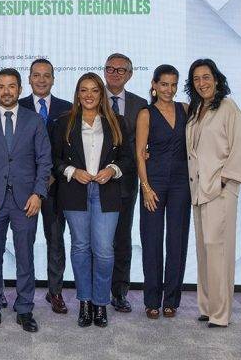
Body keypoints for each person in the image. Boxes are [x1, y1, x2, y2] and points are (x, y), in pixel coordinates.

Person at [0, 68, 52, 333]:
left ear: (20, 89)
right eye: (1, 86)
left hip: (26, 201)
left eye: (11, 86)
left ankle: (25, 308)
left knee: (25, 256)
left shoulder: (34, 120)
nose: (6, 91)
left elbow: (44, 161)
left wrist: (38, 194)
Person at [51, 72, 133, 328]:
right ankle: (85, 302)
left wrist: (112, 170)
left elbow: (127, 159)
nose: (89, 95)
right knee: (80, 248)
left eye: (94, 90)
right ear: (77, 94)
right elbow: (54, 160)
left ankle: (100, 303)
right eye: (84, 90)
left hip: (107, 193)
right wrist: (72, 171)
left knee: (105, 251)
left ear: (101, 94)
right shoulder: (63, 122)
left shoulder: (117, 121)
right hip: (74, 192)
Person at [185, 59, 241, 328]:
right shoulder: (196, 110)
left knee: (219, 250)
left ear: (216, 79)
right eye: (196, 78)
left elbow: (240, 147)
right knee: (204, 250)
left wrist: (225, 180)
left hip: (220, 190)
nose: (202, 83)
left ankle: (220, 314)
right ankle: (208, 306)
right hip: (199, 190)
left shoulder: (228, 107)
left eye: (206, 77)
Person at [135, 64, 191, 319]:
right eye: (164, 84)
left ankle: (171, 300)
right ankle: (151, 301)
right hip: (153, 183)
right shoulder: (146, 113)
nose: (169, 89)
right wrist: (145, 188)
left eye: (173, 84)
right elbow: (139, 154)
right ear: (154, 85)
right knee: (152, 241)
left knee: (177, 241)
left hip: (181, 183)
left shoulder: (185, 109)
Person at [19, 58, 72, 314]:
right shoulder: (17, 107)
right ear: (29, 79)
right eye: (36, 75)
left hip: (57, 187)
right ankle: (24, 292)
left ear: (53, 79)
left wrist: (52, 174)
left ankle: (55, 291)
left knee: (55, 240)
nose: (41, 80)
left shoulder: (67, 109)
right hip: (23, 188)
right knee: (23, 241)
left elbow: (71, 149)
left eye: (46, 75)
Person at [103, 53, 147, 313]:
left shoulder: (140, 105)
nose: (115, 73)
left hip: (125, 183)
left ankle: (119, 292)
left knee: (121, 239)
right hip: (95, 180)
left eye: (121, 70)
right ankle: (96, 292)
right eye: (110, 68)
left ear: (130, 75)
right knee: (97, 241)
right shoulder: (92, 97)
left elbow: (144, 143)